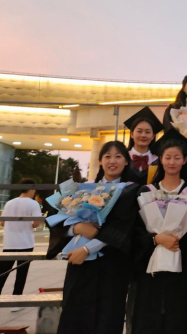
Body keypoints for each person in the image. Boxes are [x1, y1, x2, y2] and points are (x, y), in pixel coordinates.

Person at [55, 141, 141, 334]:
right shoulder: (83, 190)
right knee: (75, 313)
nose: (112, 161)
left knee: (107, 316)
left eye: (118, 156)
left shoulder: (132, 191)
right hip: (81, 263)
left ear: (126, 161)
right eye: (107, 156)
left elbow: (124, 228)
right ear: (100, 161)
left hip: (113, 263)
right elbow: (60, 224)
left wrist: (87, 249)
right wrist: (76, 228)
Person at [133, 133, 187, 334]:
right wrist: (156, 239)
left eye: (177, 157)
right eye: (167, 157)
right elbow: (136, 230)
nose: (172, 162)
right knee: (149, 315)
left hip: (182, 264)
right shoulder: (146, 191)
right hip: (151, 264)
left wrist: (176, 242)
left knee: (178, 315)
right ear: (160, 159)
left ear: (185, 160)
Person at [0, 179, 43, 314]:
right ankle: (16, 302)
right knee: (21, 273)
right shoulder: (33, 204)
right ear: (31, 189)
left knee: (2, 272)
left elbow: (2, 223)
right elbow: (36, 223)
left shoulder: (9, 203)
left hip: (9, 243)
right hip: (26, 243)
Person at [124, 107, 165, 186]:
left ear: (153, 136)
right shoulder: (123, 157)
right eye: (139, 131)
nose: (143, 135)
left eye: (147, 132)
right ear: (132, 134)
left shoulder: (159, 161)